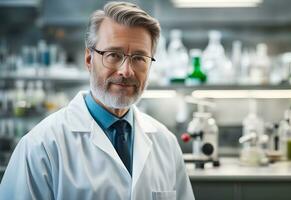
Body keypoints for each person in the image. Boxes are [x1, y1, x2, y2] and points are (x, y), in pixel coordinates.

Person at [0, 2, 195, 200]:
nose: (126, 71)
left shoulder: (166, 143)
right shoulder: (40, 146)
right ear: (88, 59)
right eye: (113, 55)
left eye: (139, 57)